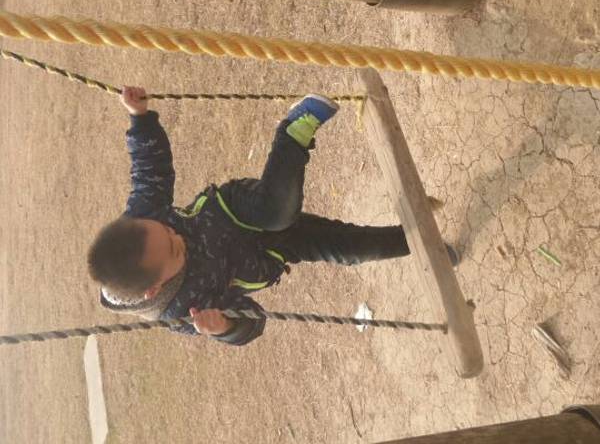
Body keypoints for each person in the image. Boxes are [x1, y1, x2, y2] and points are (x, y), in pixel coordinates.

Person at [88, 86, 456, 346]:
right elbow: (253, 320)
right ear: (154, 288)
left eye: (167, 229)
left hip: (234, 211)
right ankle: (428, 247)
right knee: (353, 249)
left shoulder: (142, 219)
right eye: (173, 249)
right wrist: (225, 327)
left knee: (277, 212)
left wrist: (140, 120)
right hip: (271, 253)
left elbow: (149, 170)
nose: (177, 235)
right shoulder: (182, 311)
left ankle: (293, 132)